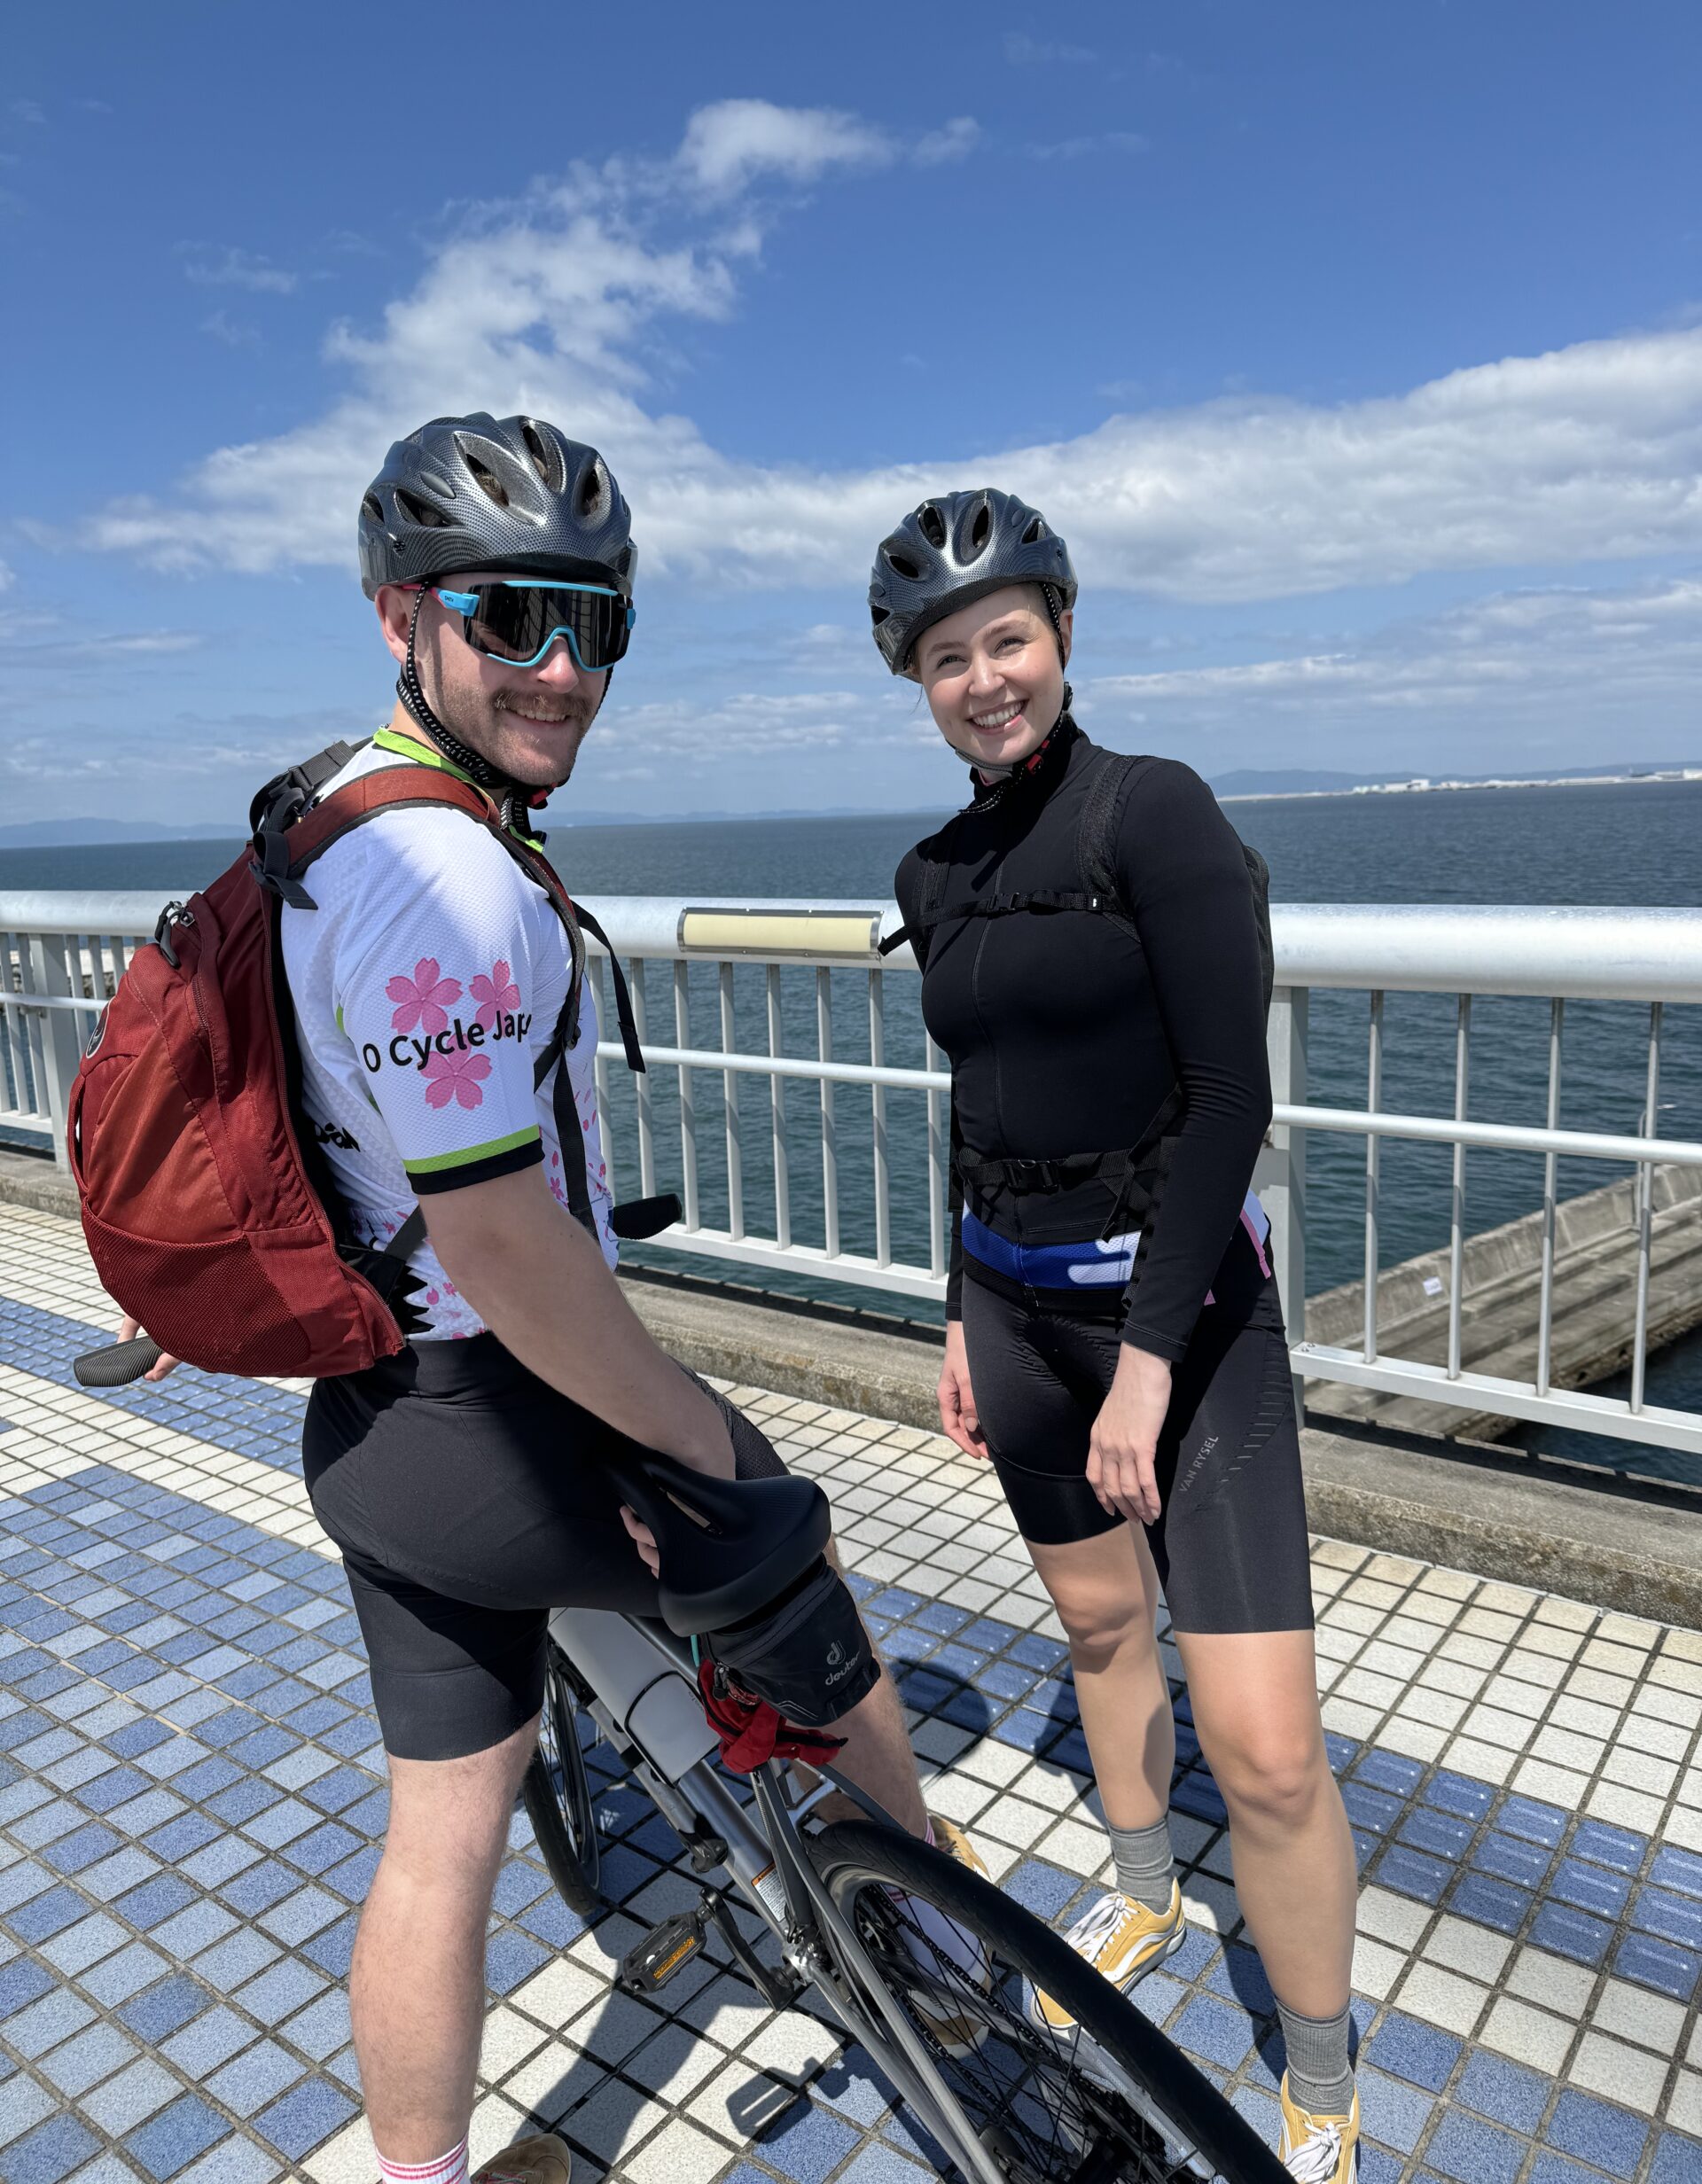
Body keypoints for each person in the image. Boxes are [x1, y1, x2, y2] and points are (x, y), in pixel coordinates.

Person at [123, 415, 981, 2184]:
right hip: (500, 1414)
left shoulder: (326, 818)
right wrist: (695, 1439)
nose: (564, 666)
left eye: (599, 623)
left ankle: (423, 2172)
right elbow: (507, 1241)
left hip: (369, 1422)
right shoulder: (445, 872)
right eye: (512, 615)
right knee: (804, 1583)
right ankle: (961, 1968)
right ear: (400, 615)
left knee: (438, 1836)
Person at [871, 490, 1362, 2184]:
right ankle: (1147, 1893)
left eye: (1008, 637)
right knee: (1098, 1637)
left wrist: (1152, 1356)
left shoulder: (1156, 813)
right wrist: (955, 1307)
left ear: (1063, 638)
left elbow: (1234, 1095)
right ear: (915, 682)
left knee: (1272, 1747)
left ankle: (1319, 2064)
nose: (985, 677)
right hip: (1013, 1316)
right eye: (949, 657)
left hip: (1189, 1331)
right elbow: (974, 1106)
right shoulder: (930, 873)